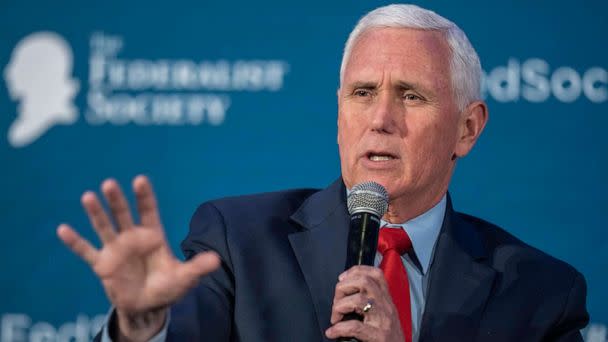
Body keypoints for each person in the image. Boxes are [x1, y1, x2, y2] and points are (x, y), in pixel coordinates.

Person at [57, 4, 589, 342]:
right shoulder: (238, 242)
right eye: (363, 94)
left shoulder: (541, 294)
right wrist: (142, 328)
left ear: (467, 129)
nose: (380, 119)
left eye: (411, 95)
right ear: (339, 116)